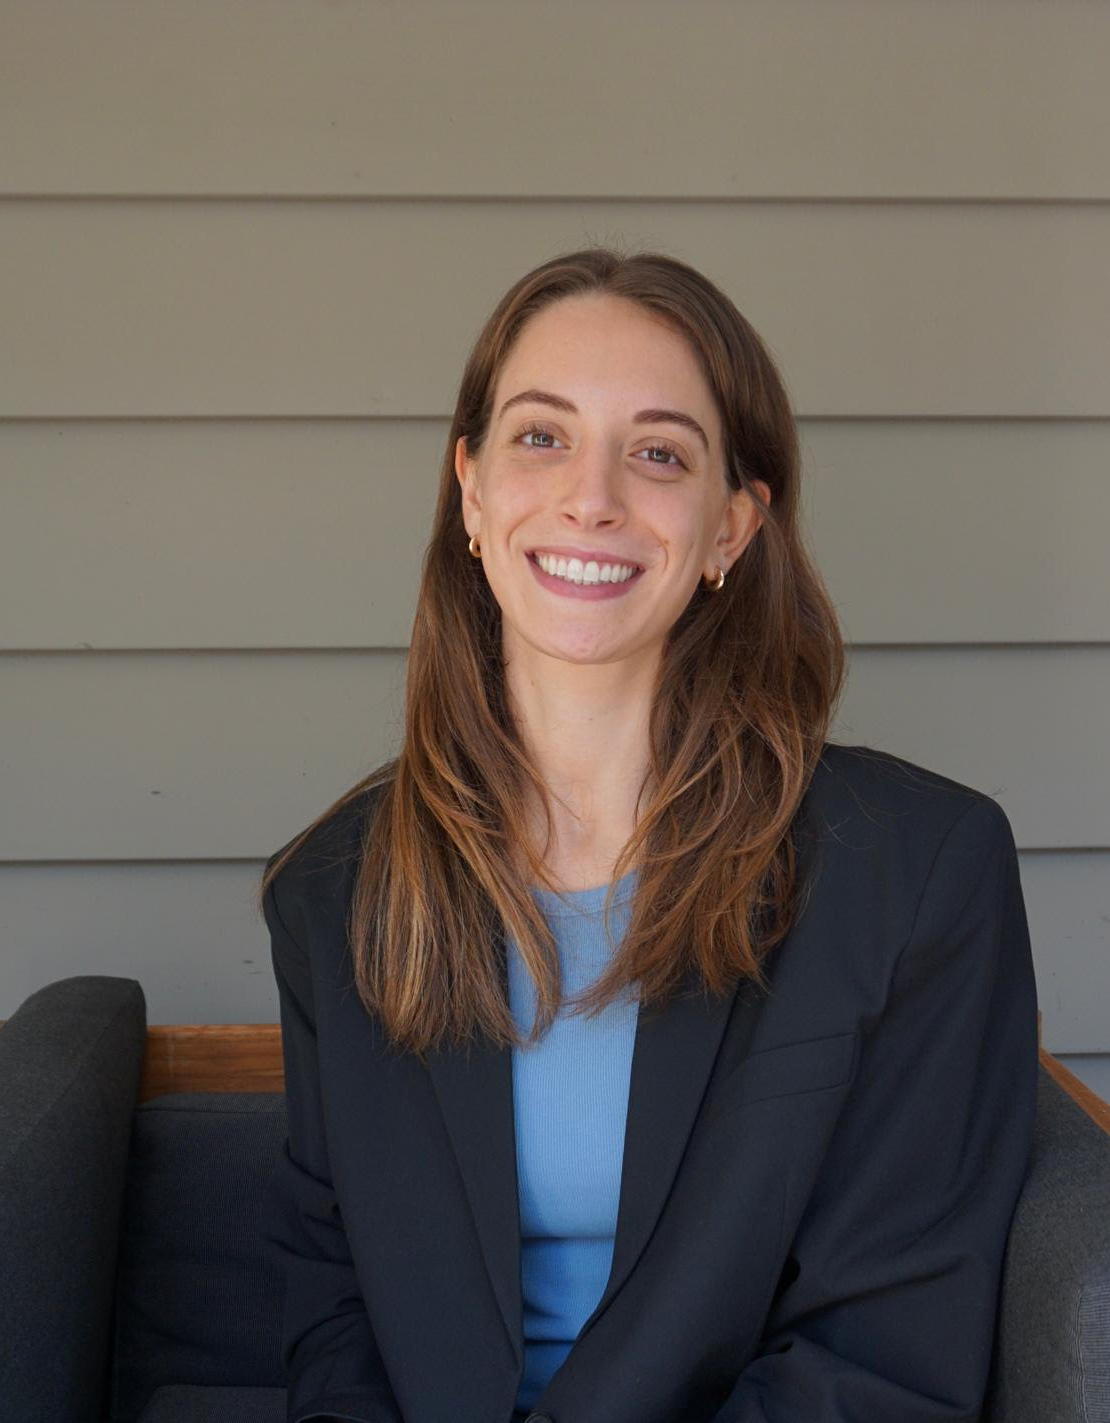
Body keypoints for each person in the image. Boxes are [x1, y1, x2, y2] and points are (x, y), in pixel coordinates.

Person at [258, 247, 1039, 1423]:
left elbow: (886, 1351)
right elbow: (334, 1310)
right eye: (540, 435)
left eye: (659, 452)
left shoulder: (919, 871)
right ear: (469, 491)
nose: (592, 497)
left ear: (731, 525)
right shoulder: (339, 889)